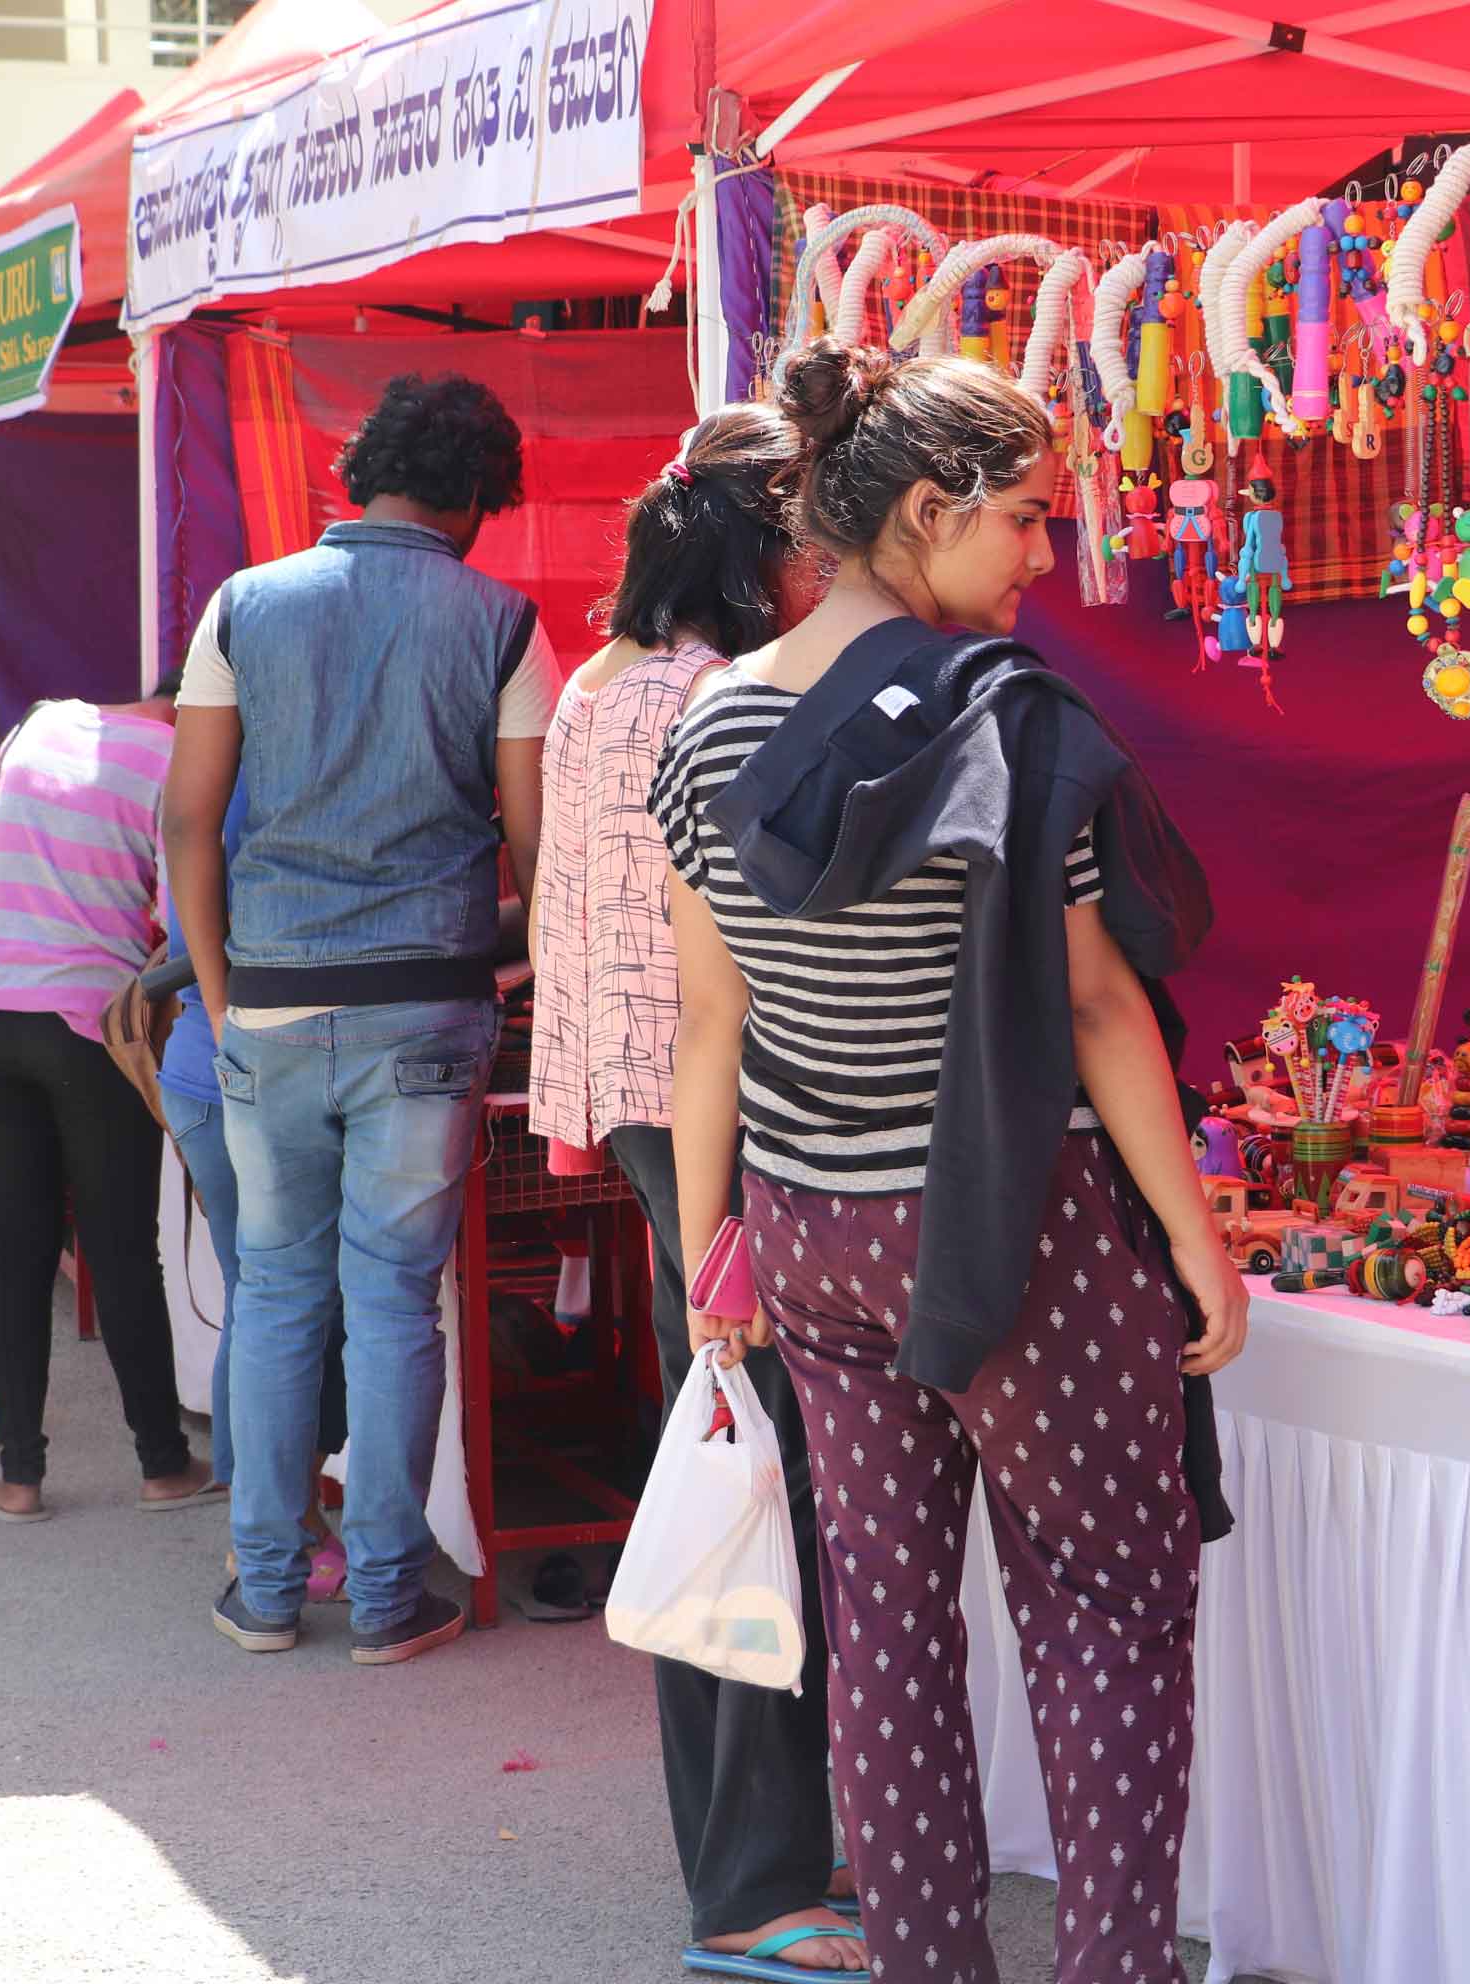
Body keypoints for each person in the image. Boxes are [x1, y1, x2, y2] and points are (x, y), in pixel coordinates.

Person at [651, 343, 1243, 1984]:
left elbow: (712, 1024)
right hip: (1020, 1222)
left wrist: (715, 1257)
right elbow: (1103, 1002)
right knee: (1105, 1601)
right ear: (928, 507)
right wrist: (1194, 1236)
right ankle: (1116, 1966)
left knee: (891, 1628)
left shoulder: (705, 722)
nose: (1046, 560)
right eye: (1031, 520)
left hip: (810, 1219)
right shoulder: (998, 716)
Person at [528, 407, 855, 1972]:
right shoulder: (721, 699)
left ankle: (753, 1867)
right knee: (758, 1482)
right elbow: (736, 971)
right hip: (725, 1132)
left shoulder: (602, 684)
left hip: (663, 1127)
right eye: (809, 541)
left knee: (730, 1465)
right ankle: (758, 1886)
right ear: (771, 548)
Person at [166, 371, 553, 1667]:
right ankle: (390, 1596)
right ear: (482, 501)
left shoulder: (245, 604)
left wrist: (221, 1001)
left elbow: (187, 819)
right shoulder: (501, 621)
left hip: (270, 1004)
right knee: (396, 1302)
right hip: (428, 1011)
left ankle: (266, 1590)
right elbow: (535, 847)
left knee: (276, 1292)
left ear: (362, 467)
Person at [0, 694, 197, 1523]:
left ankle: (19, 1478)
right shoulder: (176, 761)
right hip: (86, 1023)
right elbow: (176, 922)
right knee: (122, 1248)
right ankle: (163, 1467)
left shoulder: (40, 721)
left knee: (15, 1248)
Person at [152, 678, 354, 1602]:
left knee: (261, 1298)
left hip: (208, 1065)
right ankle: (276, 1528)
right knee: (286, 1303)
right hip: (242, 1062)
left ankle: (262, 1528)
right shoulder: (269, 790)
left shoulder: (210, 780)